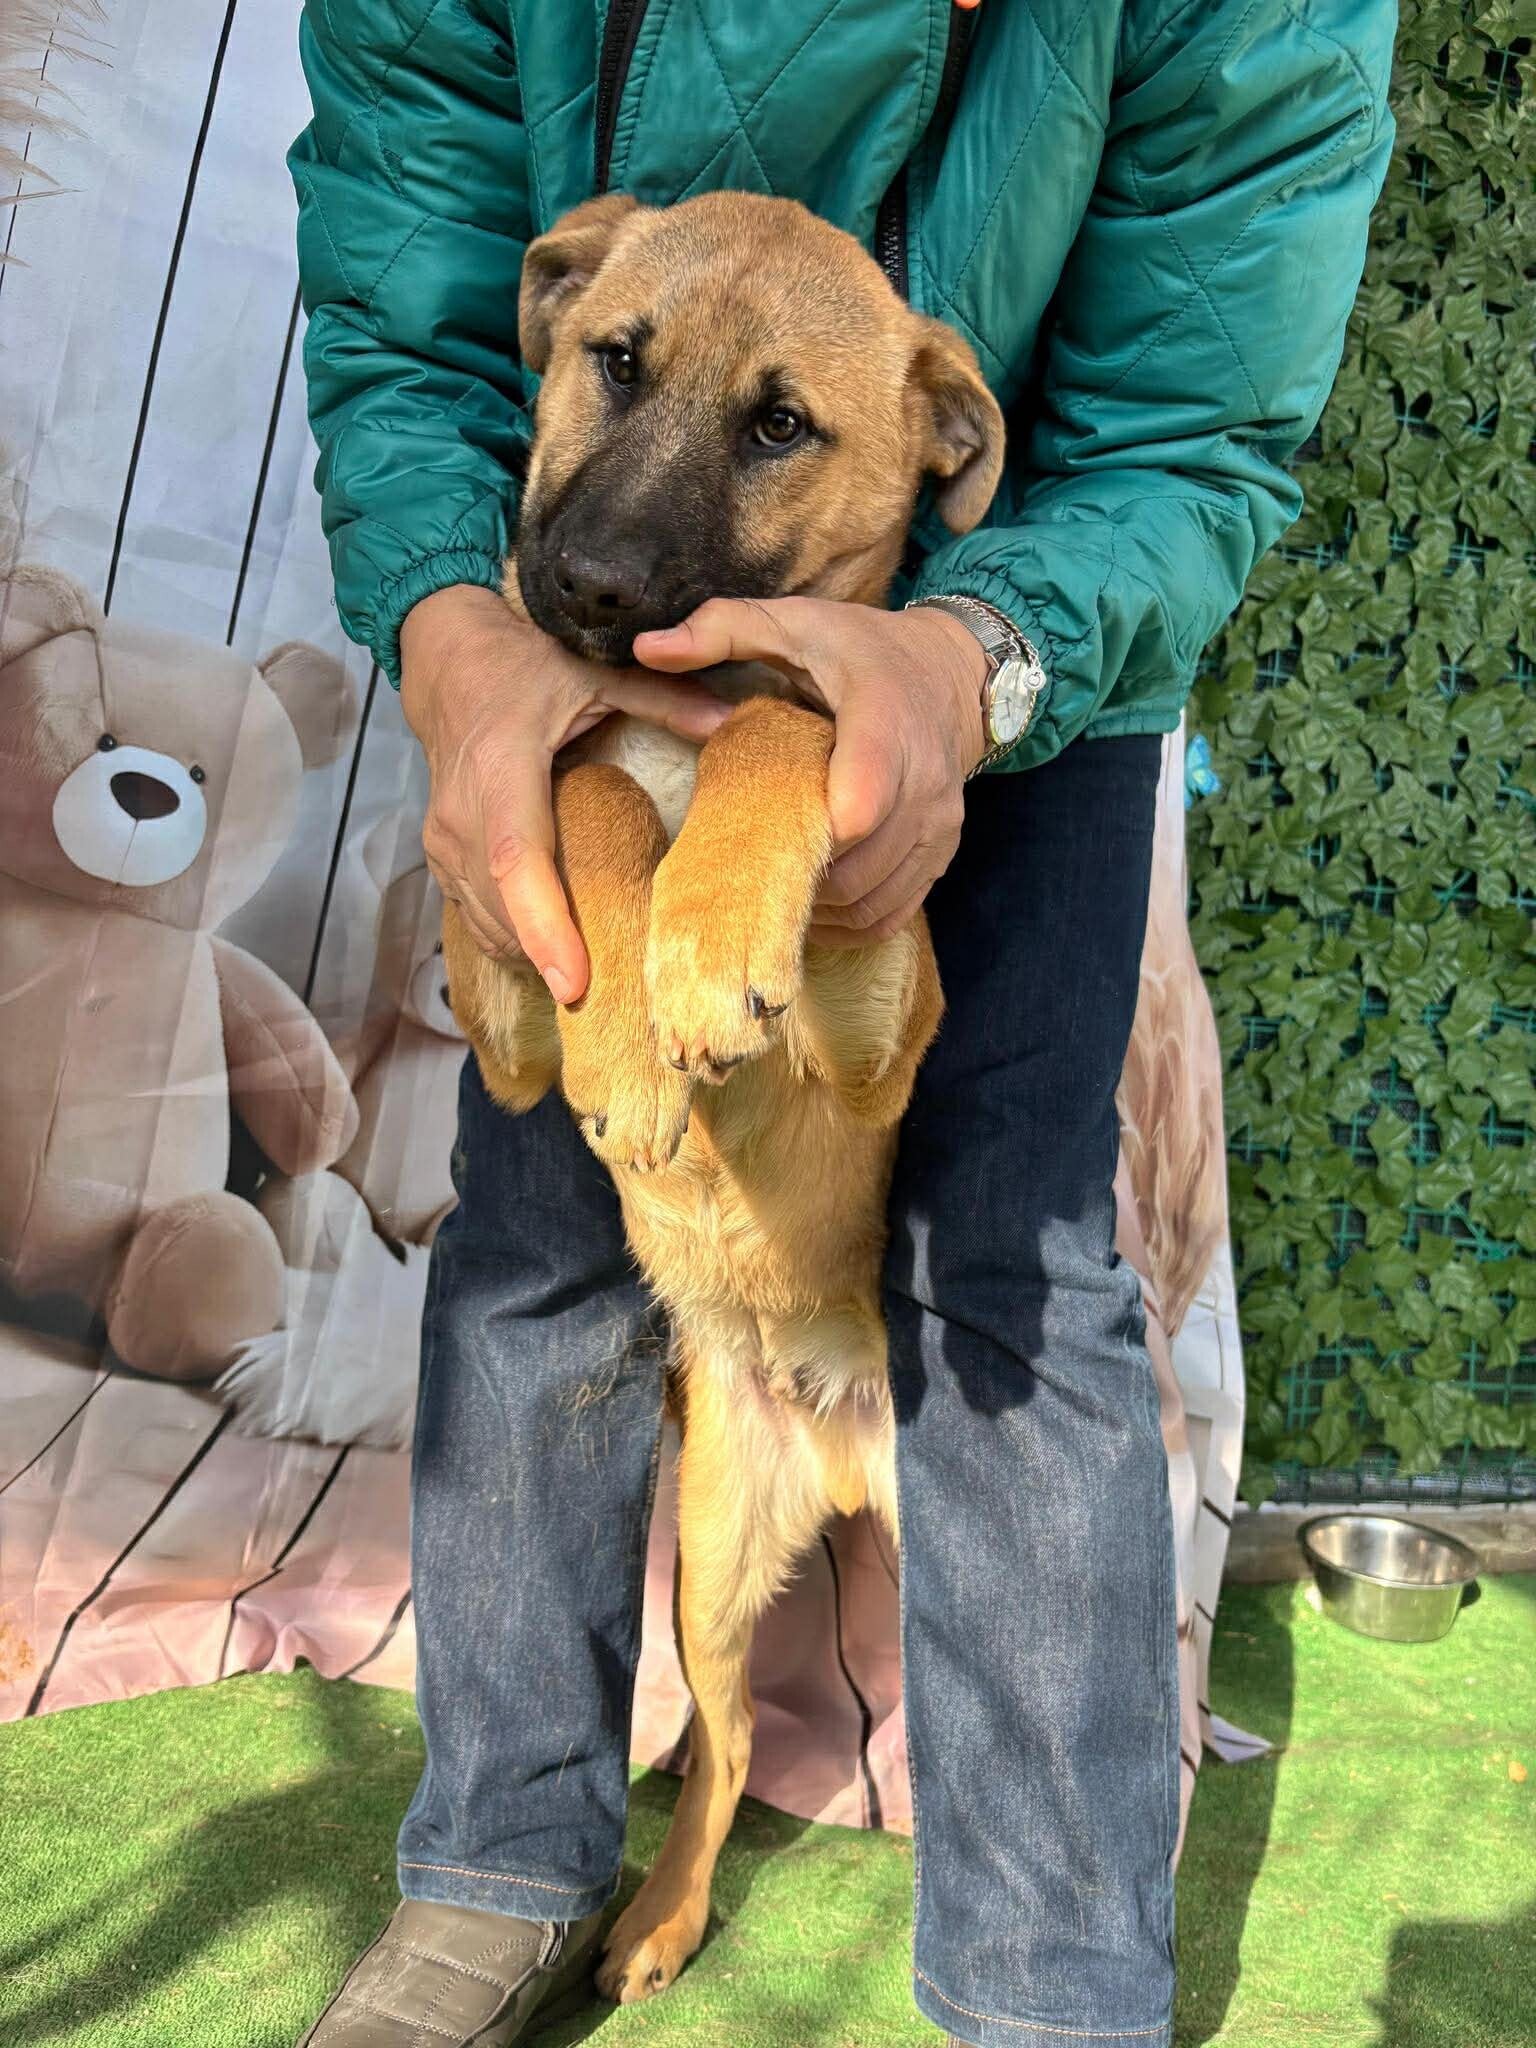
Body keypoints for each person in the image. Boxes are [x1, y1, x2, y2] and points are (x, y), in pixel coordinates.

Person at [289, 5, 1393, 2043]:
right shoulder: (573, 324)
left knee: (1018, 1260)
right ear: (571, 311)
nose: (618, 528)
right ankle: (498, 1861)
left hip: (1018, 608)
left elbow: (1191, 428)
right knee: (535, 1222)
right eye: (614, 369)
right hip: (578, 681)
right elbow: (399, 276)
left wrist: (976, 655)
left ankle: (1050, 1983)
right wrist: (454, 626)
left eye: (770, 427)